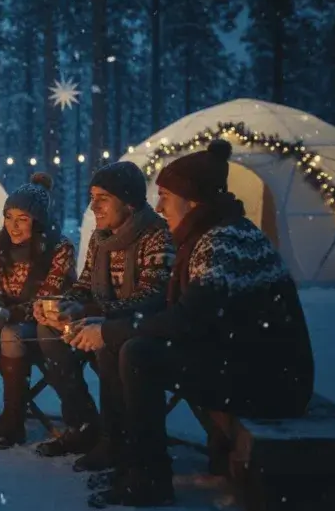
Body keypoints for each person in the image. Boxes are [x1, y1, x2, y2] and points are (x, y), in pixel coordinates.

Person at [74, 140, 314, 508]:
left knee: (139, 354)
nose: (159, 206)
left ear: (194, 200)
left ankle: (149, 479)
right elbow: (189, 315)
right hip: (241, 358)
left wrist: (108, 329)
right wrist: (104, 323)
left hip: (272, 378)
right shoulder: (208, 234)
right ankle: (125, 458)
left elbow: (187, 319)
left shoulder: (226, 241)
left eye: (166, 196)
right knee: (128, 347)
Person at [35, 161, 174, 465]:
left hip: (141, 330)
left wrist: (91, 311)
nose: (93, 205)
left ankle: (118, 438)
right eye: (91, 196)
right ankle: (84, 423)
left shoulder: (157, 235)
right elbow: (85, 285)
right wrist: (62, 304)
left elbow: (152, 299)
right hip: (103, 319)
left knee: (113, 343)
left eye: (103, 198)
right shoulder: (101, 239)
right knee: (48, 331)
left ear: (129, 202)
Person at [0, 173, 76, 449]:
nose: (13, 226)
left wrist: (8, 316)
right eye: (9, 217)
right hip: (5, 318)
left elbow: (47, 300)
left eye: (22, 219)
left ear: (38, 221)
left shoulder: (60, 248)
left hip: (47, 325)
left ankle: (13, 420)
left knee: (11, 335)